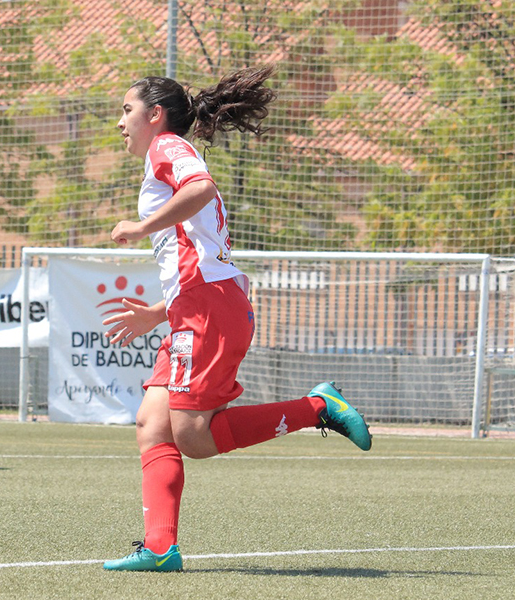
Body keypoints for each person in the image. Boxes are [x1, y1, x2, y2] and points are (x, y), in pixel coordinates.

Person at [100, 65, 372, 573]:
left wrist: (141, 227)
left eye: (126, 109)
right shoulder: (163, 155)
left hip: (210, 307)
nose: (120, 122)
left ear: (155, 115)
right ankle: (160, 548)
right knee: (152, 424)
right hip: (199, 305)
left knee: (193, 437)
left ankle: (318, 407)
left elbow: (200, 189)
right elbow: (202, 252)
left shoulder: (167, 148)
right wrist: (161, 312)